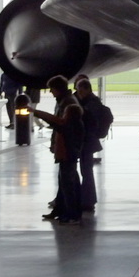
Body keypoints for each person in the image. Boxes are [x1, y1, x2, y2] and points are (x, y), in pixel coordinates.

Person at [31, 75, 84, 225]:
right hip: (66, 149)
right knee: (65, 181)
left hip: (67, 149)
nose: (51, 93)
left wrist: (35, 112)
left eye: (52, 89)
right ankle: (62, 210)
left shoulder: (67, 104)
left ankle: (70, 213)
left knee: (68, 183)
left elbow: (58, 123)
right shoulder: (65, 102)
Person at [74, 78, 103, 212]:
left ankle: (87, 200)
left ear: (87, 90)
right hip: (87, 141)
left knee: (86, 171)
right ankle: (87, 199)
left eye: (80, 90)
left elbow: (89, 122)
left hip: (86, 141)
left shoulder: (90, 104)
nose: (78, 93)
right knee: (86, 171)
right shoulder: (92, 102)